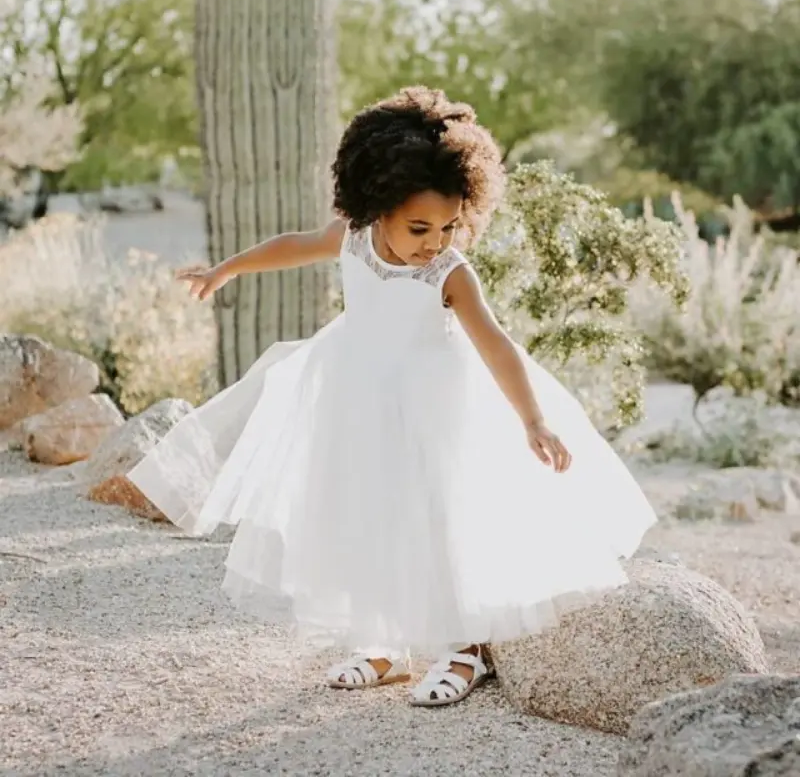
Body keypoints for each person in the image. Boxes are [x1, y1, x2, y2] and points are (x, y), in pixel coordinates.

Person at [128, 86, 656, 708]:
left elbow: (497, 346)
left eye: (450, 225)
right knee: (367, 511)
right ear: (376, 205)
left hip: (437, 408)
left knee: (442, 518)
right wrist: (227, 269)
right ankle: (380, 642)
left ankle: (466, 646)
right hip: (359, 395)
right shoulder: (353, 239)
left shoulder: (449, 272)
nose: (435, 240)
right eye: (419, 227)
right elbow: (294, 245)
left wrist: (533, 420)